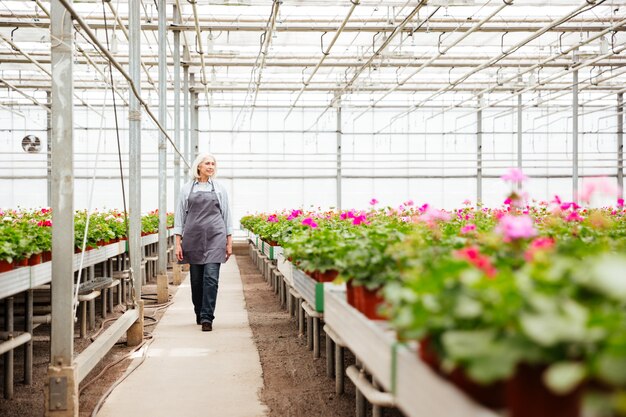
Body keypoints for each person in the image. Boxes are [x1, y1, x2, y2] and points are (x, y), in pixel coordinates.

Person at [173, 153, 233, 332]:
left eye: (213, 163)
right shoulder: (186, 189)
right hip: (193, 238)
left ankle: (207, 317)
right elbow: (180, 217)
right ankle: (199, 311)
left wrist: (229, 242)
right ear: (198, 166)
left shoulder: (220, 189)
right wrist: (178, 243)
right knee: (197, 280)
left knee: (211, 278)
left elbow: (227, 215)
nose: (211, 166)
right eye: (207, 163)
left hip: (216, 237)